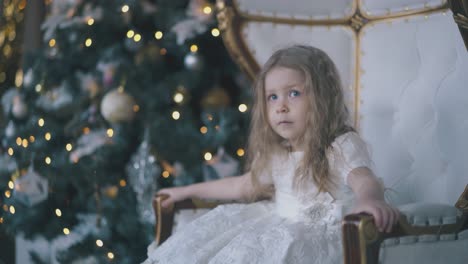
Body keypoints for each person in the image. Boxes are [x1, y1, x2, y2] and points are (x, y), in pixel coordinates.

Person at [143, 45, 399, 264]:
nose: (281, 107)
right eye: (272, 97)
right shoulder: (278, 152)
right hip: (275, 222)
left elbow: (363, 179)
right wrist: (184, 191)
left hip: (316, 235)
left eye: (294, 93)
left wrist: (370, 200)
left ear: (322, 98)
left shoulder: (340, 145)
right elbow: (242, 186)